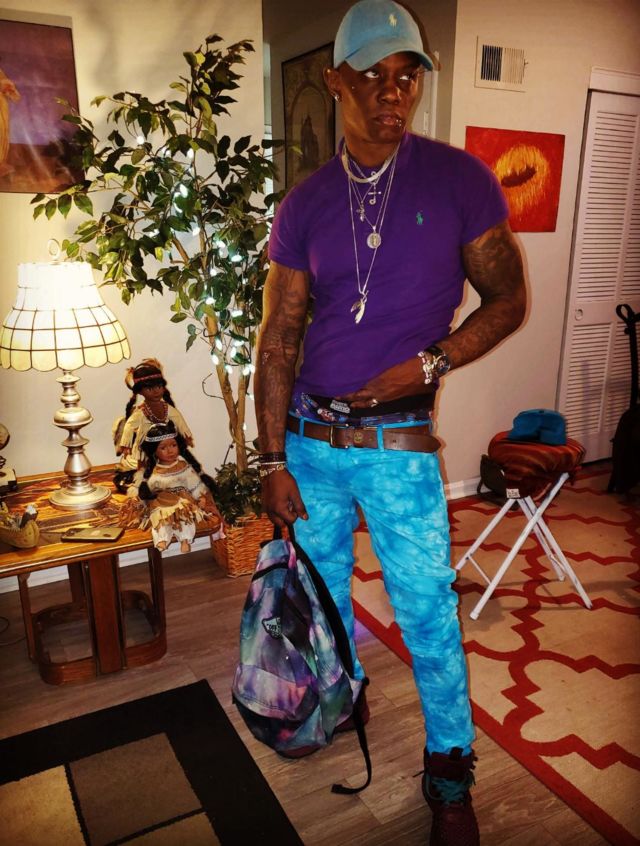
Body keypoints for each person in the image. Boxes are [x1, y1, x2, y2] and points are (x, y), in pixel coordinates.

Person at [254, 1, 526, 844]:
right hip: (310, 439)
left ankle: (449, 775)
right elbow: (279, 334)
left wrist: (431, 363)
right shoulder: (305, 204)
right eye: (371, 75)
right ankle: (342, 695)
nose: (392, 93)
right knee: (322, 593)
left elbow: (507, 298)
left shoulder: (460, 181)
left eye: (406, 76)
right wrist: (269, 459)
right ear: (335, 81)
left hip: (398, 446)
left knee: (428, 616)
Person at [127, 422, 223, 553]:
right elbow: (145, 490)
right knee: (160, 520)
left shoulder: (183, 467)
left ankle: (185, 540)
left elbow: (194, 484)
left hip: (183, 501)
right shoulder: (153, 472)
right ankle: (162, 539)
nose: (170, 450)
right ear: (154, 451)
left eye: (173, 445)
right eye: (163, 448)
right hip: (163, 503)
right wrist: (141, 499)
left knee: (185, 516)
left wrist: (200, 497)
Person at [113, 359, 194, 491]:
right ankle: (142, 486)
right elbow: (129, 425)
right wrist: (126, 444)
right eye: (150, 388)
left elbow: (178, 419)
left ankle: (169, 486)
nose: (156, 392)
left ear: (163, 387)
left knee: (168, 464)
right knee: (143, 467)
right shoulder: (141, 412)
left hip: (164, 444)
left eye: (159, 387)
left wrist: (186, 435)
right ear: (140, 392)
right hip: (146, 446)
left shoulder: (167, 409)